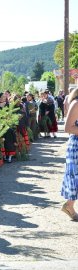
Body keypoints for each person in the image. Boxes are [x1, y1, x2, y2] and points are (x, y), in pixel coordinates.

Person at [61, 88, 78, 221]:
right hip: (76, 145)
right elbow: (68, 128)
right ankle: (69, 206)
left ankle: (69, 205)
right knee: (75, 177)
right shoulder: (76, 103)